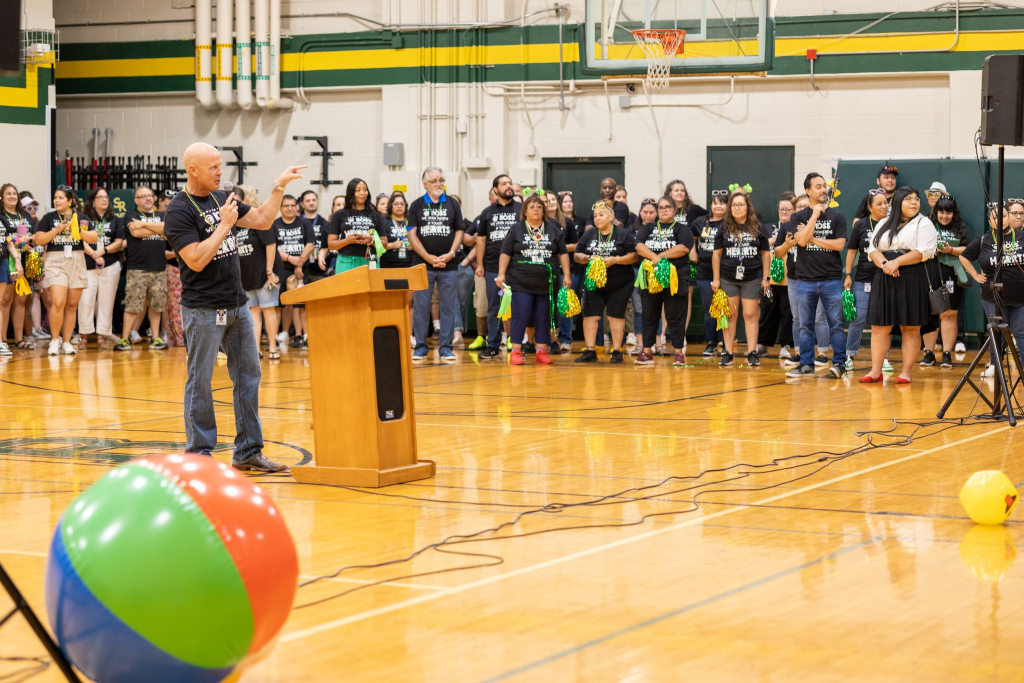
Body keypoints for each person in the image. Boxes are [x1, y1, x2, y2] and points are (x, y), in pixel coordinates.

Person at [163, 141, 305, 472]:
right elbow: (196, 260)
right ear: (193, 170)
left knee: (248, 375)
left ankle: (248, 451)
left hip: (237, 303)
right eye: (212, 167)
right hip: (203, 308)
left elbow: (263, 219)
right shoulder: (178, 210)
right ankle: (199, 456)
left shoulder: (221, 197)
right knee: (200, 380)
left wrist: (279, 185)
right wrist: (225, 225)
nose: (220, 171)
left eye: (220, 165)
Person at [859, 186, 937, 385]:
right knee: (879, 326)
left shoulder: (924, 222)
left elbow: (924, 251)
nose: (914, 202)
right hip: (885, 275)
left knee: (910, 327)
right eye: (908, 199)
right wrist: (886, 264)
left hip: (912, 275)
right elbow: (873, 250)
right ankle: (876, 370)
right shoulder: (884, 222)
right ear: (898, 203)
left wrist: (897, 263)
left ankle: (905, 372)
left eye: (916, 199)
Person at [783, 173, 849, 379]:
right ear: (808, 191)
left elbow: (839, 245)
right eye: (818, 187)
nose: (823, 190)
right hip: (805, 280)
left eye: (824, 186)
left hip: (831, 279)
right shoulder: (798, 217)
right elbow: (800, 242)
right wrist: (813, 216)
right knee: (805, 325)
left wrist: (813, 237)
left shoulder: (838, 217)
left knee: (836, 324)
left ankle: (839, 364)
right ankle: (806, 364)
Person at [494, 192, 571, 366]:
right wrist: (501, 273)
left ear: (544, 211)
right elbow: (505, 252)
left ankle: (541, 351)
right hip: (521, 280)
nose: (536, 210)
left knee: (543, 316)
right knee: (521, 314)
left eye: (539, 207)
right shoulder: (516, 228)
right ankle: (516, 351)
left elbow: (563, 252)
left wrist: (566, 274)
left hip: (547, 281)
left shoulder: (553, 228)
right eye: (532, 207)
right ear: (525, 211)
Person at [408, 167, 464, 363]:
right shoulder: (416, 205)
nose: (439, 183)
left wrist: (450, 254)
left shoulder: (452, 204)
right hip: (423, 264)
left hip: (448, 265)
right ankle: (421, 348)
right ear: (425, 184)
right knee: (421, 306)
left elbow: (459, 232)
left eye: (441, 180)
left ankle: (446, 348)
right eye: (434, 181)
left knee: (448, 307)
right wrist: (428, 257)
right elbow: (411, 234)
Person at [34, 186, 98, 356]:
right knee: (58, 302)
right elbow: (39, 240)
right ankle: (55, 340)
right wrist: (57, 230)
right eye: (55, 197)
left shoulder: (81, 217)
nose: (57, 200)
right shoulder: (49, 218)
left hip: (76, 259)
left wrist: (78, 231)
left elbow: (94, 237)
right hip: (55, 260)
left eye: (61, 197)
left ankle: (67, 342)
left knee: (71, 305)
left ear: (70, 201)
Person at [960, 203, 1024, 373]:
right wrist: (975, 276)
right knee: (997, 332)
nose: (1000, 220)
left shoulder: (1021, 236)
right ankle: (995, 366)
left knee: (1020, 332)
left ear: (1009, 217)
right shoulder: (984, 240)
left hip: (1020, 297)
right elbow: (964, 257)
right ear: (989, 221)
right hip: (992, 297)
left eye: (1003, 215)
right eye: (995, 217)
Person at [712, 190, 771, 367]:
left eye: (741, 204)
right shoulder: (723, 227)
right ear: (730, 208)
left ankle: (752, 352)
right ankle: (728, 352)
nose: (737, 208)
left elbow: (766, 254)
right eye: (734, 205)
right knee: (730, 314)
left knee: (750, 314)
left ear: (748, 207)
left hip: (752, 277)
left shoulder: (758, 227)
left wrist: (766, 278)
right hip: (728, 277)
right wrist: (716, 279)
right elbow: (716, 255)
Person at [574, 201, 637, 363]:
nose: (597, 219)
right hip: (594, 283)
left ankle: (617, 351)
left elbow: (634, 256)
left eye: (601, 215)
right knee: (590, 316)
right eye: (595, 216)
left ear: (611, 216)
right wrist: (588, 258)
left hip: (620, 283)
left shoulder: (623, 234)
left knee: (615, 316)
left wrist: (616, 260)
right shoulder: (589, 234)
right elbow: (577, 255)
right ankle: (590, 350)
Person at [634, 197, 693, 366]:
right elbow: (639, 246)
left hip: (675, 279)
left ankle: (678, 354)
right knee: (649, 315)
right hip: (650, 279)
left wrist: (658, 257)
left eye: (668, 207)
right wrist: (654, 258)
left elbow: (683, 248)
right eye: (661, 208)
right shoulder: (649, 228)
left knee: (675, 317)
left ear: (674, 210)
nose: (664, 210)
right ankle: (646, 353)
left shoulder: (682, 229)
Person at [115, 186, 169, 351]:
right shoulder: (131, 215)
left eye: (150, 196)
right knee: (132, 305)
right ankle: (124, 339)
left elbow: (167, 232)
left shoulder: (162, 215)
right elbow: (136, 233)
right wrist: (157, 229)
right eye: (143, 196)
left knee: (156, 306)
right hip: (137, 268)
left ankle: (155, 338)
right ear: (136, 200)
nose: (147, 198)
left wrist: (143, 225)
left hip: (159, 267)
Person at [920, 195, 969, 369]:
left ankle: (947, 353)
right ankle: (929, 353)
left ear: (954, 213)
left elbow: (967, 250)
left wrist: (950, 249)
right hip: (929, 273)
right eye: (941, 212)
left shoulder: (960, 229)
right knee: (929, 315)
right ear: (936, 212)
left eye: (948, 212)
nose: (944, 216)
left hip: (952, 277)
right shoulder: (927, 226)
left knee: (949, 314)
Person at [475, 175, 519, 360]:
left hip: (517, 266)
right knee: (494, 306)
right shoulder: (487, 212)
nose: (508, 186)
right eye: (504, 184)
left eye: (510, 183)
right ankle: (492, 344)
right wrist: (480, 264)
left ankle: (517, 343)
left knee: (517, 306)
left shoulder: (521, 209)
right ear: (495, 189)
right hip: (492, 265)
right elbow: (481, 239)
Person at [844, 190, 889, 369]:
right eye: (879, 204)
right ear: (869, 208)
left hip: (887, 279)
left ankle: (884, 358)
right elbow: (852, 251)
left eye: (886, 202)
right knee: (858, 318)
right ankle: (850, 355)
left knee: (884, 320)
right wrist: (848, 274)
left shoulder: (893, 225)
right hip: (864, 279)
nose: (884, 206)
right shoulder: (861, 225)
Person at [78, 188, 125, 348]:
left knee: (107, 302)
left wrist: (103, 251)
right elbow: (80, 239)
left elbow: (119, 242)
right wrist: (93, 254)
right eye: (100, 197)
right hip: (88, 264)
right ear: (93, 201)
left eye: (106, 197)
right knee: (85, 301)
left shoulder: (114, 219)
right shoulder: (84, 219)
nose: (104, 200)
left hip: (110, 264)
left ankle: (102, 336)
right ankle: (83, 335)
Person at [238, 206, 282, 360]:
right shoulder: (235, 225)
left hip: (265, 276)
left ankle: (272, 348)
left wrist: (269, 272)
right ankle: (255, 349)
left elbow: (271, 245)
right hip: (247, 277)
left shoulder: (259, 221)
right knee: (253, 312)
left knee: (268, 310)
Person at [755, 193, 796, 358]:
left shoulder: (797, 227)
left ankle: (785, 346)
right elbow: (759, 247)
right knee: (767, 310)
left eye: (788, 209)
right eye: (782, 209)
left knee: (788, 312)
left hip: (789, 276)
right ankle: (762, 344)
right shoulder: (767, 227)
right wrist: (771, 241)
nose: (784, 212)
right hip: (770, 276)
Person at [275, 195, 315, 349]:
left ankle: (306, 334)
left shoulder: (304, 223)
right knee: (285, 303)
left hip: (303, 269)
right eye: (286, 205)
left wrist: (299, 263)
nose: (290, 208)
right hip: (282, 269)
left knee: (302, 304)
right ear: (280, 208)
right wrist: (290, 259)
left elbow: (310, 244)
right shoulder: (275, 225)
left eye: (293, 205)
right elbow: (273, 248)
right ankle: (284, 333)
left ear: (297, 207)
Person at [692, 190, 728, 358]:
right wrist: (693, 251)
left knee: (725, 309)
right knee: (709, 310)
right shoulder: (701, 222)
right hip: (705, 271)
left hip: (726, 272)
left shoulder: (730, 224)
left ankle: (726, 343)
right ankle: (711, 342)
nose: (718, 206)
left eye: (722, 203)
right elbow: (690, 235)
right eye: (715, 203)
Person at [328, 178, 386, 276]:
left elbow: (384, 244)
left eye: (365, 189)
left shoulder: (376, 215)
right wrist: (348, 241)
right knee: (347, 291)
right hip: (346, 262)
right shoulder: (339, 215)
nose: (363, 193)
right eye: (358, 190)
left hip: (370, 261)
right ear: (351, 193)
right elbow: (331, 244)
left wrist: (371, 240)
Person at [0, 184, 27, 355]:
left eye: (14, 193)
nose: (12, 196)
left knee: (21, 300)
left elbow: (10, 241)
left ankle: (16, 339)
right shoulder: (2, 216)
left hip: (17, 259)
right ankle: (3, 339)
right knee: (4, 301)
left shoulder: (23, 216)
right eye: (7, 193)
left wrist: (20, 255)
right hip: (7, 262)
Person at [300, 190, 330, 284]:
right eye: (308, 201)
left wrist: (324, 253)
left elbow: (328, 246)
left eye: (314, 200)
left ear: (317, 201)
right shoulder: (297, 222)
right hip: (301, 268)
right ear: (302, 204)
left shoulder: (325, 223)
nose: (311, 203)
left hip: (319, 270)